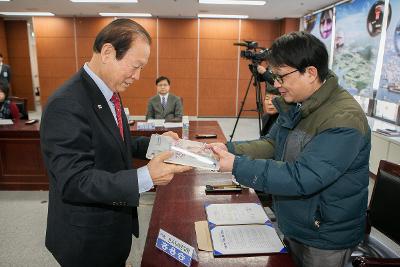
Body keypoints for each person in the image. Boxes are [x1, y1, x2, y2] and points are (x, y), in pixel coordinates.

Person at [209, 32, 370, 267]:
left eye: (282, 77)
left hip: (324, 236)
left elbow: (303, 177)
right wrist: (228, 148)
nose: (276, 84)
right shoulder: (301, 103)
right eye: (274, 76)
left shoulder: (344, 118)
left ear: (311, 73)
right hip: (297, 222)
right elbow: (273, 144)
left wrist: (236, 165)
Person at [40, 19, 191, 267]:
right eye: (135, 66)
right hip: (86, 239)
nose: (138, 76)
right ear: (108, 52)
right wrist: (146, 177)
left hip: (112, 227)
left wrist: (158, 144)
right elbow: (74, 181)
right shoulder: (66, 103)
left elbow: (117, 140)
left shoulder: (108, 92)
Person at [257, 64, 280, 136]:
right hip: (269, 94)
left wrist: (264, 72)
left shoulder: (285, 64)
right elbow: (261, 78)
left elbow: (278, 82)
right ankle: (265, 137)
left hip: (279, 95)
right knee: (266, 117)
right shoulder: (271, 65)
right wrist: (255, 69)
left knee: (276, 120)